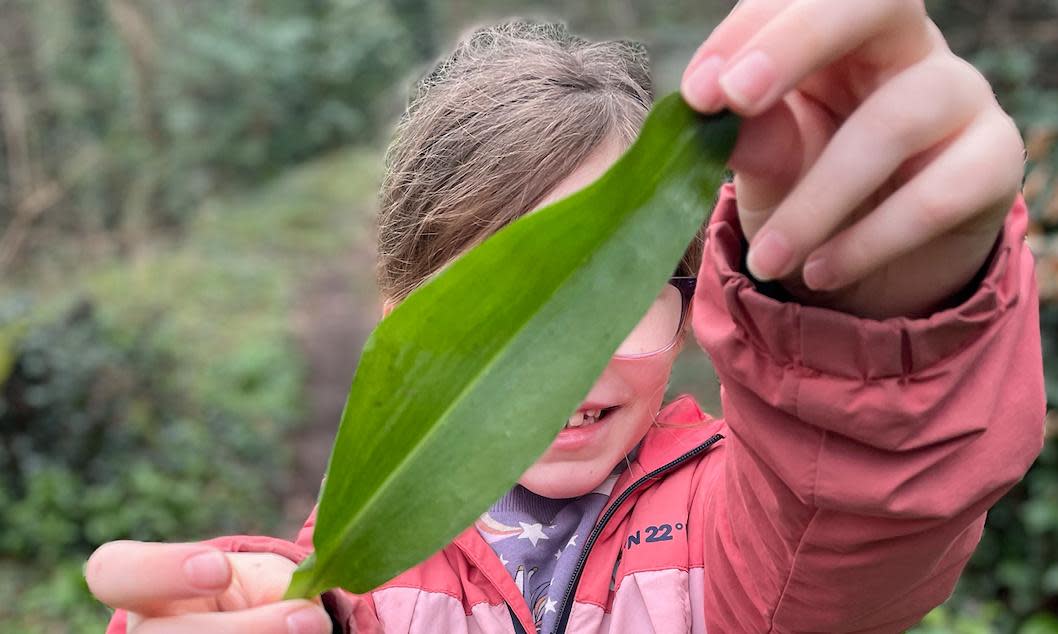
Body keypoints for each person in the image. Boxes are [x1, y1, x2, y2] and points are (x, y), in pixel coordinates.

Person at [86, 2, 1045, 633]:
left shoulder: (742, 543)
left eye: (610, 297)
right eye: (499, 309)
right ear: (397, 329)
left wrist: (880, 311)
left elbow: (851, 513)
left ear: (686, 315)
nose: (566, 368)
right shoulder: (362, 582)